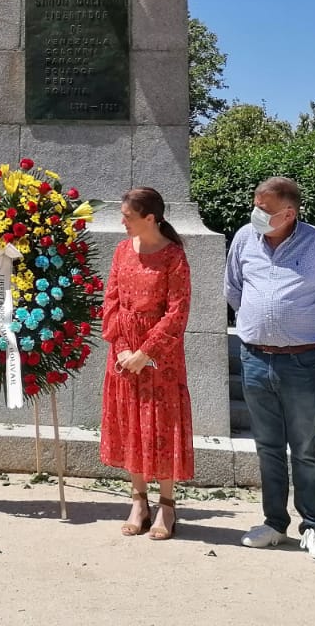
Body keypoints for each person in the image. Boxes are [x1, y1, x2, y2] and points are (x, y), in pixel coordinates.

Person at [225, 176, 315, 560]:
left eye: (265, 209)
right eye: (256, 205)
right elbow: (233, 287)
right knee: (267, 447)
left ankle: (312, 526)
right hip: (255, 357)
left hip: (301, 359)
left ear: (289, 212)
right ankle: (275, 523)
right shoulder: (246, 237)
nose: (256, 213)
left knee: (305, 447)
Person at [101, 186, 194, 540]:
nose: (122, 221)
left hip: (161, 358)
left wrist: (146, 352)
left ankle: (167, 505)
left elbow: (177, 311)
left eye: (127, 216)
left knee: (161, 424)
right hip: (123, 355)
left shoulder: (174, 258)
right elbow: (111, 301)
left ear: (150, 218)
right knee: (130, 423)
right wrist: (124, 347)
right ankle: (138, 501)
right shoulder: (122, 250)